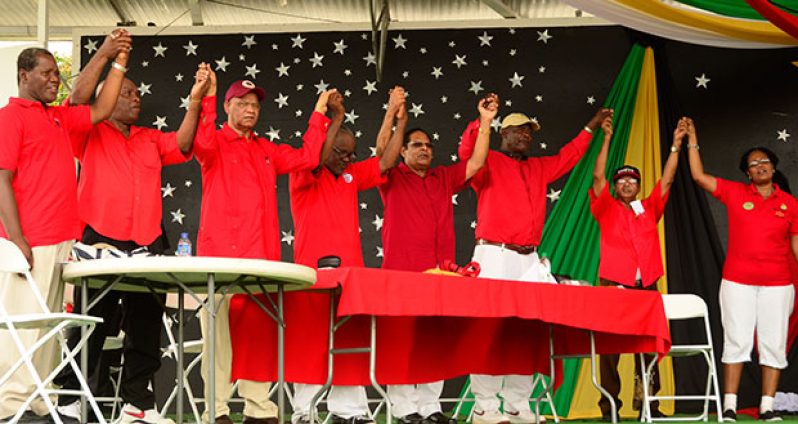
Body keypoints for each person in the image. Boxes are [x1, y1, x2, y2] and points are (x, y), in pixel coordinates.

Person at [53, 59, 211, 423]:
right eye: (127, 93)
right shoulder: (89, 131)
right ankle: (70, 399)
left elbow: (184, 144)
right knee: (92, 325)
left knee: (145, 327)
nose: (136, 98)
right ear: (109, 99)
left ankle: (137, 406)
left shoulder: (150, 138)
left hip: (147, 244)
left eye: (137, 93)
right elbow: (77, 101)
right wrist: (114, 59)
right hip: (100, 243)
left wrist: (195, 100)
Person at [0, 30, 131, 423]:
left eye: (57, 73)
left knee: (48, 329)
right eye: (46, 73)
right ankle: (11, 405)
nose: (55, 79)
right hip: (29, 241)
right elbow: (2, 177)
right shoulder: (9, 117)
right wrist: (17, 237)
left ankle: (38, 402)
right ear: (24, 76)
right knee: (21, 326)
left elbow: (102, 107)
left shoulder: (58, 117)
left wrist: (118, 61)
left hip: (61, 240)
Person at [193, 68, 334, 424]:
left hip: (261, 258)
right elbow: (200, 141)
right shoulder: (213, 143)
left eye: (254, 105)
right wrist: (206, 96)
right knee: (219, 338)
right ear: (227, 107)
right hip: (219, 256)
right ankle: (217, 409)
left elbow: (307, 157)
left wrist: (319, 113)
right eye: (242, 103)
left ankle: (258, 407)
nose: (250, 110)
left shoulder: (267, 150)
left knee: (258, 336)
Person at [457, 106, 613, 424]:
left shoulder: (538, 167)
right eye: (520, 129)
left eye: (530, 130)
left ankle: (518, 404)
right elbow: (467, 152)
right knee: (487, 329)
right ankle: (484, 405)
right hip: (494, 254)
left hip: (528, 258)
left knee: (526, 331)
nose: (526, 134)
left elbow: (569, 157)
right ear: (504, 133)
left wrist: (591, 126)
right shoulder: (487, 161)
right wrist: (483, 121)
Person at [377, 92, 497, 424]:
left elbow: (475, 163)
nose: (425, 148)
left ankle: (430, 407)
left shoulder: (443, 177)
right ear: (402, 151)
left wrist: (485, 123)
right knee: (401, 343)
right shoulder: (390, 176)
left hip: (440, 275)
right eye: (416, 144)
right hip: (401, 275)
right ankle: (403, 408)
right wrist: (394, 116)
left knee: (434, 342)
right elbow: (381, 151)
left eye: (428, 144)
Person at [288, 87, 405, 424]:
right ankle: (304, 411)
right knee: (311, 342)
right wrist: (335, 116)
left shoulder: (351, 177)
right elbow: (315, 156)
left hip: (349, 274)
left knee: (350, 338)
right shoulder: (304, 176)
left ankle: (349, 411)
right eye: (340, 152)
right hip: (311, 274)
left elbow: (385, 161)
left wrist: (400, 119)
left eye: (351, 155)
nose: (346, 160)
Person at [686, 118, 798, 423]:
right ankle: (731, 406)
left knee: (773, 344)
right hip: (738, 282)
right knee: (736, 341)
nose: (759, 166)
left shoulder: (790, 204)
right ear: (747, 173)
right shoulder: (735, 193)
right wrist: (692, 138)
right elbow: (697, 176)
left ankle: (767, 407)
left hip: (778, 284)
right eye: (753, 163)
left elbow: (796, 248)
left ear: (774, 168)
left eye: (764, 161)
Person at [589, 116, 685, 421]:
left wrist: (676, 145)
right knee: (609, 350)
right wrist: (605, 139)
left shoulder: (649, 209)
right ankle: (609, 408)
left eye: (633, 180)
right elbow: (597, 177)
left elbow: (667, 180)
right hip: (613, 284)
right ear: (616, 186)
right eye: (622, 180)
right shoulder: (605, 208)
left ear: (639, 185)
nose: (627, 183)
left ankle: (648, 406)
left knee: (648, 349)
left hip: (646, 287)